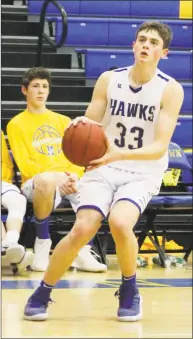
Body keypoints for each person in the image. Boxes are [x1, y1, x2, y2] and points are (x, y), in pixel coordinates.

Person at [23, 21, 184, 321]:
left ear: (164, 52)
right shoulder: (109, 79)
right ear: (133, 46)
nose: (145, 45)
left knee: (121, 223)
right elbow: (88, 128)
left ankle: (129, 289)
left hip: (142, 171)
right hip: (103, 167)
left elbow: (160, 147)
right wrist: (73, 165)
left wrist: (116, 154)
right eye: (141, 40)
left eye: (152, 42)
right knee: (83, 227)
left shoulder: (170, 90)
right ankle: (42, 291)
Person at [7, 67, 107, 273]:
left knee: (99, 189)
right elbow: (25, 164)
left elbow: (76, 157)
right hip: (35, 184)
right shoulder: (15, 124)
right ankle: (42, 243)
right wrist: (55, 177)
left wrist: (72, 175)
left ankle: (81, 251)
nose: (41, 90)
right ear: (24, 90)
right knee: (45, 180)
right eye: (35, 86)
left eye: (44, 86)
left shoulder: (63, 121)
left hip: (67, 179)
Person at [1, 130, 34, 271]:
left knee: (18, 200)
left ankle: (10, 242)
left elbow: (5, 164)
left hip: (2, 181)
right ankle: (8, 253)